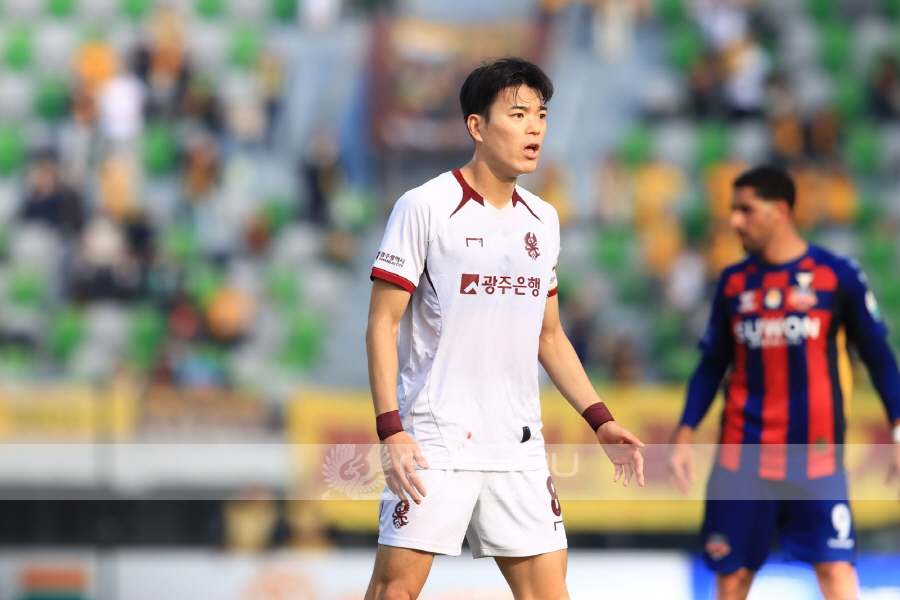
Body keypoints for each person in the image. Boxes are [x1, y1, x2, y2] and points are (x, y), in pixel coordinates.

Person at [364, 57, 645, 600]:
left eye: (541, 115)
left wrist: (601, 420)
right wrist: (391, 430)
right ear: (477, 125)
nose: (534, 128)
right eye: (518, 114)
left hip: (518, 444)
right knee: (395, 590)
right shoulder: (424, 206)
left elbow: (549, 336)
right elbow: (382, 323)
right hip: (437, 440)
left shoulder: (544, 219)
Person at [667, 166, 900, 600]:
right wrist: (683, 434)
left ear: (780, 211)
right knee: (732, 579)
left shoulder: (837, 275)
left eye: (745, 210)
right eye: (732, 210)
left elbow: (879, 357)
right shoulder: (733, 283)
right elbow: (711, 365)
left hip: (816, 459)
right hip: (742, 459)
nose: (734, 220)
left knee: (836, 572)